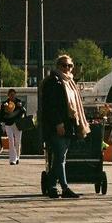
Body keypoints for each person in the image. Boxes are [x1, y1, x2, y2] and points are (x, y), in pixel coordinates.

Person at [39, 54, 90, 198]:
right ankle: (65, 188)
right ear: (58, 66)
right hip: (57, 126)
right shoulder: (53, 82)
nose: (67, 68)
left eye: (70, 65)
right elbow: (51, 106)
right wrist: (58, 123)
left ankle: (52, 187)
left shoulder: (69, 82)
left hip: (69, 125)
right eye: (64, 65)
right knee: (60, 157)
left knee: (60, 158)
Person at [1, 89, 28, 166]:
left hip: (18, 124)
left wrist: (21, 107)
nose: (12, 96)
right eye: (11, 95)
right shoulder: (5, 103)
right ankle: (12, 159)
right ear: (8, 95)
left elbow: (23, 111)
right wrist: (4, 108)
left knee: (18, 142)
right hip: (8, 124)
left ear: (15, 95)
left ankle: (17, 157)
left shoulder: (19, 102)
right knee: (11, 141)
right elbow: (2, 115)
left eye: (13, 94)